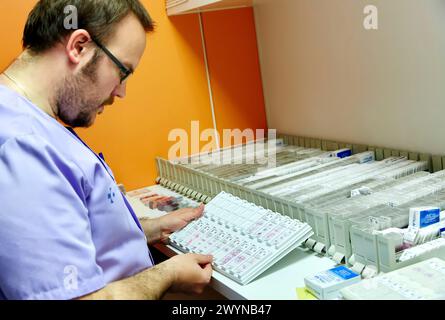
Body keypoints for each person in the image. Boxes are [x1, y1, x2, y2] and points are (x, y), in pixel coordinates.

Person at [0, 0, 213, 300]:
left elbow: (69, 233)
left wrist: (148, 229)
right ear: (80, 47)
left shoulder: (30, 121)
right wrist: (168, 273)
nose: (120, 92)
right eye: (123, 71)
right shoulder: (22, 146)